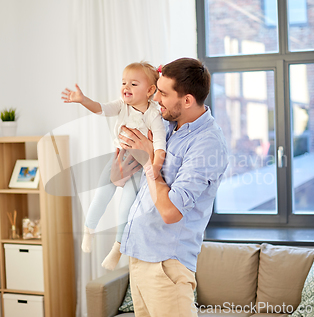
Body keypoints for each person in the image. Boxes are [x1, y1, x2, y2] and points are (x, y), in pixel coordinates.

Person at [113, 57, 229, 316]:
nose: (155, 99)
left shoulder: (207, 144)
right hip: (139, 256)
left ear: (187, 100)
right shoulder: (164, 124)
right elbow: (118, 180)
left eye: (163, 93)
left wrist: (148, 162)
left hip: (166, 265)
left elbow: (170, 212)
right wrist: (122, 154)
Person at [61, 62, 167, 270]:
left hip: (140, 165)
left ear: (150, 91)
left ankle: (118, 246)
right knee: (101, 195)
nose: (126, 87)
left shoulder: (154, 115)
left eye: (133, 84)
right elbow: (100, 109)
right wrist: (83, 100)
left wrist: (154, 167)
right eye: (123, 82)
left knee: (126, 207)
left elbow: (160, 145)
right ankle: (89, 230)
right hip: (119, 157)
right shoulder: (121, 105)